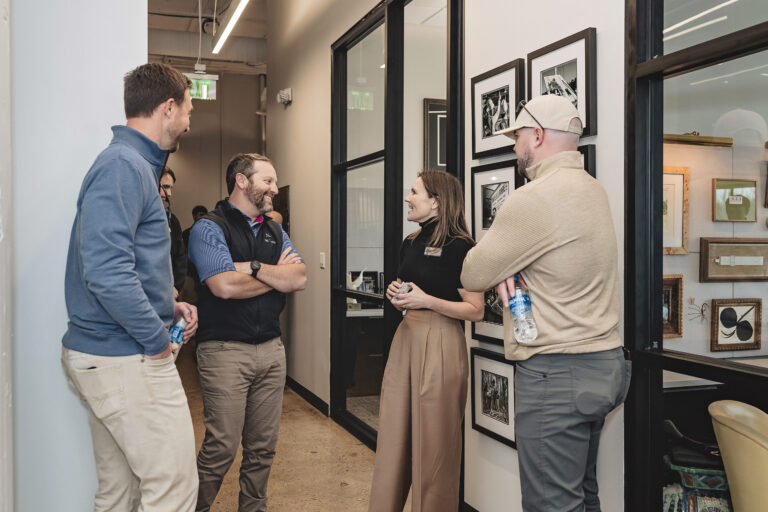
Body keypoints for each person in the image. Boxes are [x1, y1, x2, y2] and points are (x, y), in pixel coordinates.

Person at [460, 94, 631, 512]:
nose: (515, 146)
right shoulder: (594, 191)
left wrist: (506, 269)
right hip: (605, 364)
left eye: (518, 135)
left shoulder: (533, 197)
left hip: (558, 372)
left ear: (537, 135)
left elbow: (472, 273)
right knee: (583, 496)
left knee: (551, 505)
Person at [60, 63, 199, 511]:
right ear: (167, 107)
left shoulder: (132, 165)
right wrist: (157, 339)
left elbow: (128, 263)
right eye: (188, 108)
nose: (190, 120)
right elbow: (104, 271)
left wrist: (167, 306)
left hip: (112, 353)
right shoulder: (124, 166)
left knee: (119, 493)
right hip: (124, 355)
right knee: (173, 490)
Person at [188, 152, 307, 512]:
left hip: (271, 350)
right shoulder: (209, 227)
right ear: (241, 181)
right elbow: (224, 287)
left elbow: (299, 277)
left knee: (262, 448)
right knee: (221, 446)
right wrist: (275, 276)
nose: (274, 188)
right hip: (224, 351)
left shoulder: (275, 229)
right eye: (268, 181)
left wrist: (252, 267)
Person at [368, 171, 484, 512]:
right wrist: (396, 293)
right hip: (406, 339)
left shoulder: (462, 247)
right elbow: (410, 285)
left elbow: (475, 310)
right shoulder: (411, 241)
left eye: (414, 192)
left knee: (434, 446)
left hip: (442, 343)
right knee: (393, 437)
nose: (408, 198)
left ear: (436, 201)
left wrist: (427, 301)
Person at [159, 167, 187, 298]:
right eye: (165, 186)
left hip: (171, 293)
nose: (169, 193)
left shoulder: (172, 221)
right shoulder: (134, 217)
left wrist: (175, 287)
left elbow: (180, 257)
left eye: (170, 188)